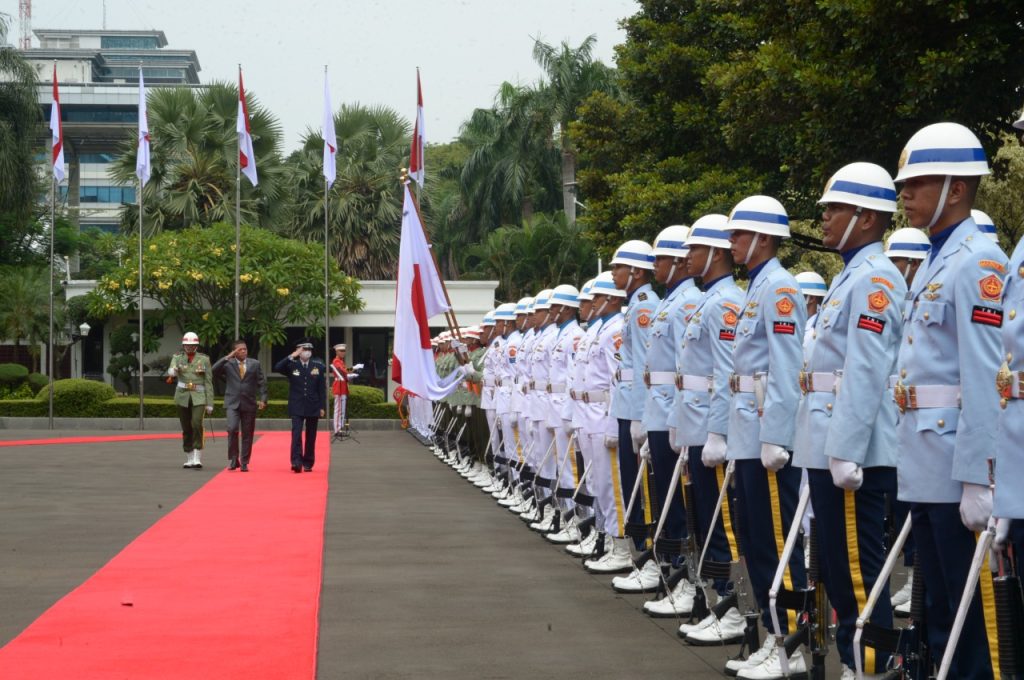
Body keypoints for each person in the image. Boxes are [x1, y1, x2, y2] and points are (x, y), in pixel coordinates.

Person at [892, 122, 1004, 679]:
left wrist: (982, 477)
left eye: (917, 183)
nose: (904, 195)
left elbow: (986, 376)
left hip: (958, 466)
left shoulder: (978, 261)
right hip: (927, 462)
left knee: (973, 621)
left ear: (956, 189)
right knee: (938, 614)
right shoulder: (936, 260)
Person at [792, 162, 906, 679]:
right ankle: (856, 665)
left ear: (865, 217)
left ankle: (871, 668)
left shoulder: (876, 278)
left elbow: (864, 368)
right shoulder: (852, 277)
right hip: (829, 442)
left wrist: (846, 449)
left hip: (850, 450)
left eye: (834, 210)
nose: (825, 220)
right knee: (840, 573)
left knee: (859, 575)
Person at [718, 195, 808, 679]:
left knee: (777, 541)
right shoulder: (756, 289)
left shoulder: (779, 288)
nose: (731, 243)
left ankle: (790, 643)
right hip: (747, 431)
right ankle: (776, 636)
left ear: (764, 238)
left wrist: (776, 434)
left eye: (738, 234)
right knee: (755, 537)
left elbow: (786, 366)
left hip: (765, 436)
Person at [616, 224, 701, 594]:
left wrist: (651, 414)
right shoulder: (664, 303)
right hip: (658, 407)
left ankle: (681, 572)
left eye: (661, 259)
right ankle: (665, 565)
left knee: (677, 501)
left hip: (672, 409)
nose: (656, 265)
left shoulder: (674, 304)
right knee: (660, 493)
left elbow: (685, 365)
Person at [212, 339, 267, 472]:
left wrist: (264, 399)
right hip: (232, 403)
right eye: (240, 349)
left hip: (249, 403)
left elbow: (262, 382)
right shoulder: (228, 364)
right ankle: (233, 459)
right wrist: (228, 357)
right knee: (232, 429)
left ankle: (244, 462)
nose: (243, 351)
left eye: (245, 349)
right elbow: (213, 370)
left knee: (248, 434)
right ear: (234, 351)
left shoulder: (255, 364)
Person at [275, 339, 327, 473]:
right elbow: (278, 367)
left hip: (313, 405)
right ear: (298, 351)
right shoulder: (292, 365)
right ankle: (296, 462)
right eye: (304, 350)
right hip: (297, 405)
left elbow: (321, 389)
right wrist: (292, 356)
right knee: (296, 434)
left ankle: (308, 462)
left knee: (311, 436)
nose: (307, 352)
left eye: (309, 350)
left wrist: (322, 407)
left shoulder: (318, 366)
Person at [167, 331, 214, 469]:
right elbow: (171, 370)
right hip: (182, 396)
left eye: (192, 345)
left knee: (196, 423)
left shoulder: (204, 359)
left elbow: (208, 381)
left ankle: (197, 456)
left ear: (196, 346)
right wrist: (173, 371)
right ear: (183, 345)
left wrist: (210, 403)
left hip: (199, 396)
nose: (189, 347)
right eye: (187, 345)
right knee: (186, 427)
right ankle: (189, 456)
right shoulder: (177, 357)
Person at [330, 343, 361, 435]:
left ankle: (340, 428)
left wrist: (350, 376)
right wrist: (354, 368)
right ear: (337, 351)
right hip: (338, 386)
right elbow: (345, 371)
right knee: (338, 409)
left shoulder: (341, 361)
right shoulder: (336, 361)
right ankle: (337, 429)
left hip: (343, 385)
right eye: (341, 351)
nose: (343, 352)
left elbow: (345, 374)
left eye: (344, 351)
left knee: (342, 409)